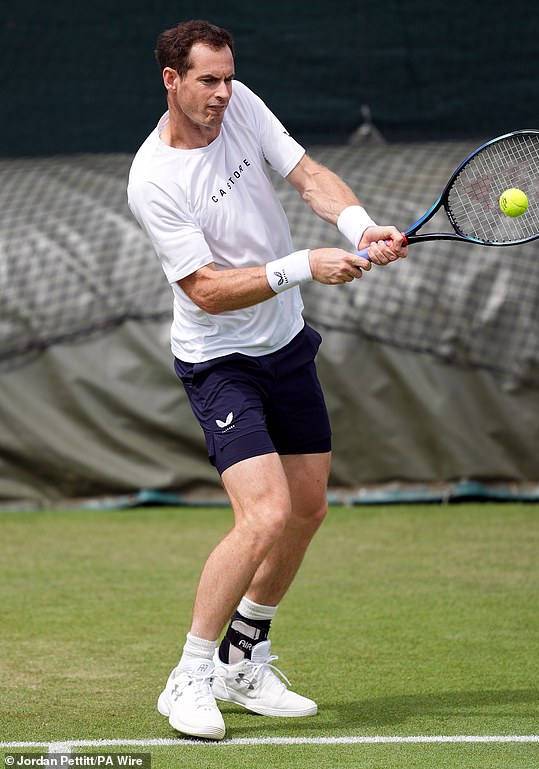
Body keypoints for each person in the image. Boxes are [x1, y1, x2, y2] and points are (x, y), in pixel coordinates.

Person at [127, 19, 407, 741]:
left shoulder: (243, 104)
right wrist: (302, 266)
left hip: (285, 346)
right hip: (220, 363)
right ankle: (187, 675)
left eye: (227, 77)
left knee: (308, 508)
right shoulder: (153, 178)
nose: (223, 93)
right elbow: (207, 290)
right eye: (207, 81)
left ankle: (242, 660)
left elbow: (308, 175)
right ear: (171, 80)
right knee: (265, 514)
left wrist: (359, 225)